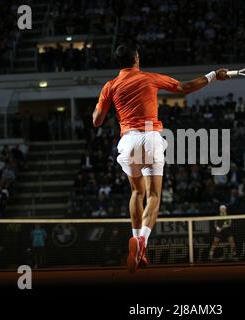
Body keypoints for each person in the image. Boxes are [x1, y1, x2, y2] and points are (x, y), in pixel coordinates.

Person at [92, 43, 229, 273]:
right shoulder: (149, 78)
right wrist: (214, 75)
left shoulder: (110, 86)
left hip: (128, 140)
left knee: (136, 192)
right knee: (154, 194)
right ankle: (143, 241)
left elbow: (97, 120)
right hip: (151, 136)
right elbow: (184, 87)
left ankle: (136, 243)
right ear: (136, 58)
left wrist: (99, 107)